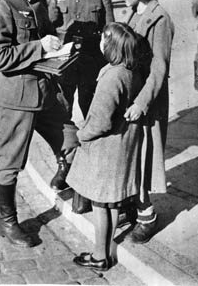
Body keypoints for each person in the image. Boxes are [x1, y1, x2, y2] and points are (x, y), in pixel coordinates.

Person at [0, 0, 79, 248]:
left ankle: (65, 183)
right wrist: (40, 47)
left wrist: (59, 48)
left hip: (44, 90)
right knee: (11, 162)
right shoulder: (2, 3)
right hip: (16, 98)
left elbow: (44, 35)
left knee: (71, 140)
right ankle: (7, 222)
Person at [66, 22, 143, 271]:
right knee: (111, 204)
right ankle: (106, 251)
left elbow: (100, 121)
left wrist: (81, 134)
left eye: (104, 38)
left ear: (111, 45)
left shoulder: (112, 76)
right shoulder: (129, 69)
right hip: (120, 147)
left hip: (106, 150)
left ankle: (99, 256)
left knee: (100, 205)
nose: (100, 41)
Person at [116, 0, 174, 244]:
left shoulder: (159, 18)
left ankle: (147, 214)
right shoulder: (135, 12)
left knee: (144, 160)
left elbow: (159, 67)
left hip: (146, 102)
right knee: (131, 155)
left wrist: (141, 102)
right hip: (131, 99)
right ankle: (131, 204)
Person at [45, 0, 114, 120]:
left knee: (92, 108)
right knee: (61, 108)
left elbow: (110, 30)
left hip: (91, 61)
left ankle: (92, 146)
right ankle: (64, 147)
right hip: (62, 61)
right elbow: (45, 27)